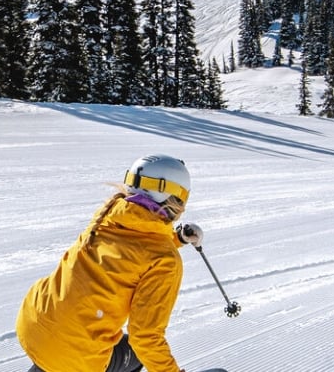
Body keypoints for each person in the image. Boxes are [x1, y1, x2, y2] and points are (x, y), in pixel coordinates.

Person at [18, 155, 203, 372]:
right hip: (75, 356)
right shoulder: (165, 260)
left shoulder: (109, 213)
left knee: (62, 349)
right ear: (175, 199)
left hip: (35, 323)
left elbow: (128, 251)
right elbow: (145, 339)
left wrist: (176, 239)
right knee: (136, 354)